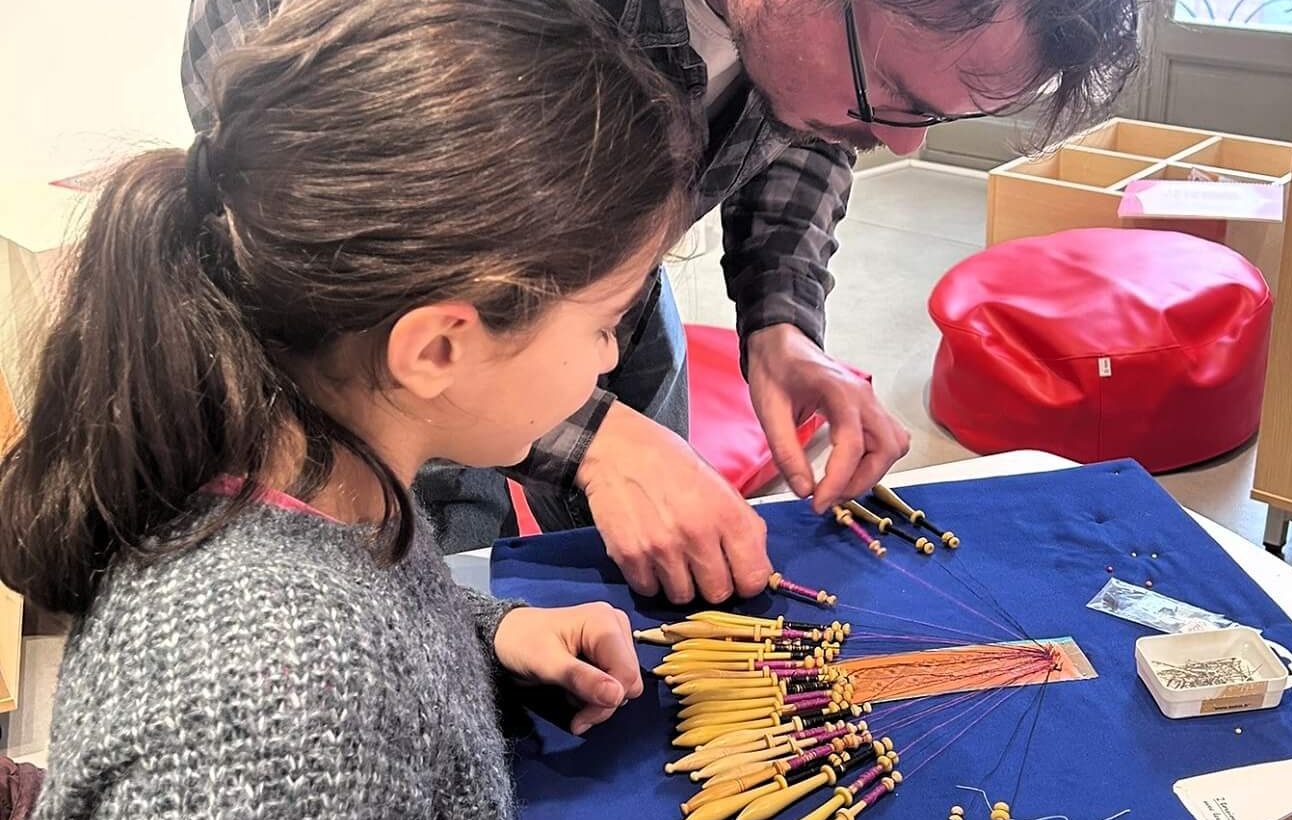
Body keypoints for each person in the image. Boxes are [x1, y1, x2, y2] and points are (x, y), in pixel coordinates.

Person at [0, 1, 844, 820]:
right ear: (439, 348)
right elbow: (304, 706)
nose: (614, 358)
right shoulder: (276, 719)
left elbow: (368, 624)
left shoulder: (326, 494)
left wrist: (487, 637)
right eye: (606, 323)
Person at [182, 0, 1140, 606]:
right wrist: (587, 441)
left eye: (936, 112)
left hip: (507, 317)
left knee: (630, 575)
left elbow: (808, 121)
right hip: (388, 341)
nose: (907, 145)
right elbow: (345, 260)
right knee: (433, 578)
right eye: (894, 92)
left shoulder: (819, 43)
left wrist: (779, 320)